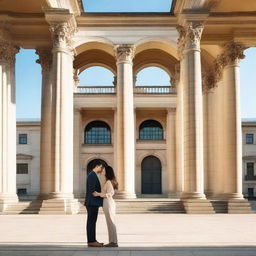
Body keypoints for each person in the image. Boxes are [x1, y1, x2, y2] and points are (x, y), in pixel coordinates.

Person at [93, 165, 118, 247]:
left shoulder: (108, 182)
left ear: (107, 171)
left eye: (104, 170)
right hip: (107, 202)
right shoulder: (108, 181)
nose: (102, 171)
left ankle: (113, 242)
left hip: (108, 202)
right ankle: (113, 241)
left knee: (111, 222)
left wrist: (98, 194)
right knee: (110, 222)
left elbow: (111, 193)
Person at [85, 159, 105, 247]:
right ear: (97, 166)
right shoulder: (92, 175)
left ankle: (93, 240)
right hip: (92, 203)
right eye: (101, 167)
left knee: (92, 222)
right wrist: (101, 195)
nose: (101, 169)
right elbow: (92, 190)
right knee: (91, 222)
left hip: (92, 202)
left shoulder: (92, 174)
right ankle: (91, 241)